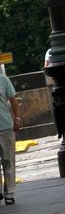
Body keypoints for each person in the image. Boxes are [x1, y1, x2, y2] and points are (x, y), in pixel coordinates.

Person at [0, 67, 21, 205]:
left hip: (6, 126)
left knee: (8, 161)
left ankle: (10, 192)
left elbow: (13, 100)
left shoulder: (3, 79)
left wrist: (17, 118)